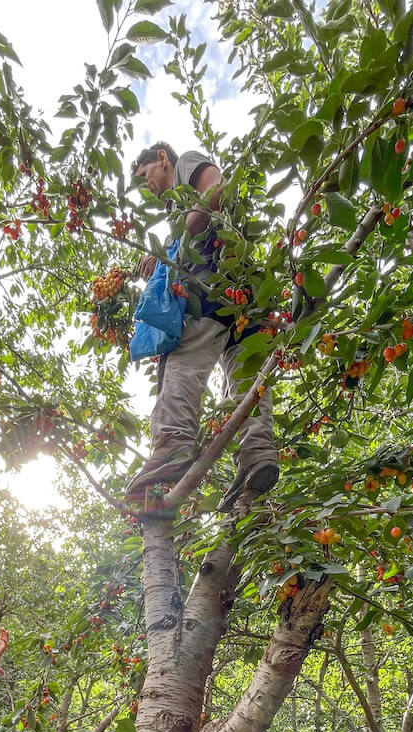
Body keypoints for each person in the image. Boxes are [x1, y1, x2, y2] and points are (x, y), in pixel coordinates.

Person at [126, 142, 279, 507]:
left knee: (183, 360)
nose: (148, 187)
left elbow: (216, 188)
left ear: (162, 159)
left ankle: (173, 447)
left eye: (146, 176)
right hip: (246, 297)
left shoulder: (185, 167)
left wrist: (169, 251)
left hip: (212, 285)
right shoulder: (177, 210)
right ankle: (258, 456)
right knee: (246, 380)